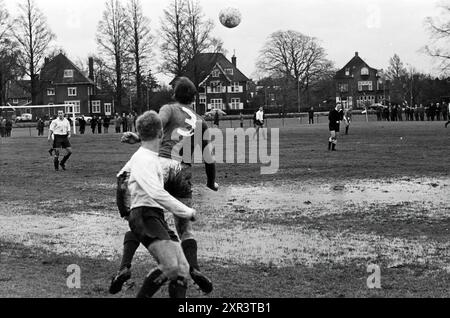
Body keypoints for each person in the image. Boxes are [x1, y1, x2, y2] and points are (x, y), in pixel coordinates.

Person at [110, 77, 218, 296]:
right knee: (185, 228)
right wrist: (210, 181)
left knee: (141, 214)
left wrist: (139, 136)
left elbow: (156, 123)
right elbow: (209, 157)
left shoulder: (169, 108)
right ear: (194, 98)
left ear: (174, 95)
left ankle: (125, 266)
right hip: (182, 172)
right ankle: (193, 267)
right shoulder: (200, 120)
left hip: (161, 165)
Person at [119, 111, 196, 298]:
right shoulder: (144, 159)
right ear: (161, 133)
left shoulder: (145, 157)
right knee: (170, 267)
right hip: (144, 215)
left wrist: (123, 205)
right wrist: (186, 211)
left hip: (155, 215)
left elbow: (121, 176)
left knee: (183, 268)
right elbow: (156, 192)